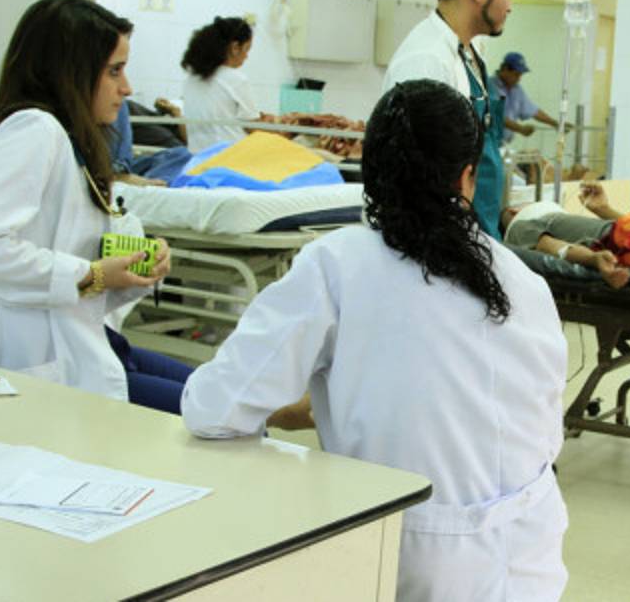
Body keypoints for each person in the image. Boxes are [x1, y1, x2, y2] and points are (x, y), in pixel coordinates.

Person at [181, 79, 569, 602]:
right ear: (468, 177)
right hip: (534, 557)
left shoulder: (336, 265)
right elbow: (533, 425)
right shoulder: (523, 280)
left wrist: (314, 409)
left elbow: (213, 411)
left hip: (412, 562)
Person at [0, 0, 192, 413]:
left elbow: (74, 259)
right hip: (35, 355)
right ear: (71, 72)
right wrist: (92, 274)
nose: (127, 89)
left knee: (218, 398)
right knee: (221, 418)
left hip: (81, 337)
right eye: (114, 71)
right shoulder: (33, 130)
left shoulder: (72, 141)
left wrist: (133, 268)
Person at [383, 0, 516, 239]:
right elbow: (417, 178)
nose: (510, 6)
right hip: (442, 239)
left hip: (479, 229)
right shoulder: (426, 60)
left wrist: (497, 214)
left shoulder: (468, 53)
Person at [501, 181, 630, 288]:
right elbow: (555, 248)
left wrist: (603, 209)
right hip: (622, 242)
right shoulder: (519, 227)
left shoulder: (551, 222)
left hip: (627, 235)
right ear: (514, 210)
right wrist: (592, 258)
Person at [182, 16, 277, 152]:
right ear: (235, 48)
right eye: (247, 49)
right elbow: (253, 128)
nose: (246, 56)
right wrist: (281, 133)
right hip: (229, 156)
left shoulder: (191, 78)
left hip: (197, 156)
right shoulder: (235, 79)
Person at [489, 52, 569, 143]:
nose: (519, 79)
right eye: (516, 74)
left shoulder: (516, 90)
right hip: (489, 143)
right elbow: (496, 116)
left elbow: (533, 111)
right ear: (505, 69)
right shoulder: (490, 86)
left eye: (520, 75)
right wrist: (520, 128)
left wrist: (555, 123)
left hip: (504, 143)